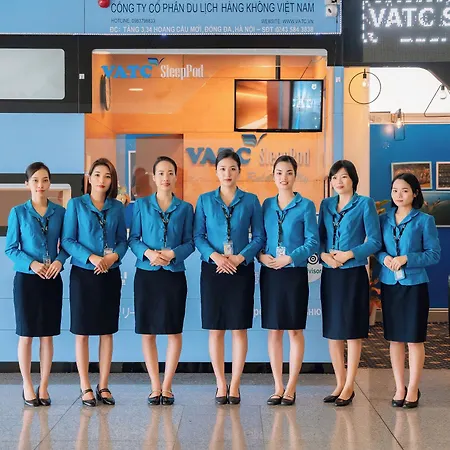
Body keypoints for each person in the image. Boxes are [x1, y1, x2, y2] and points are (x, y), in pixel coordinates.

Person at [194, 149, 265, 405]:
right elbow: (198, 236)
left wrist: (239, 258)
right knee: (215, 329)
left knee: (238, 328)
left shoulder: (251, 200)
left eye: (232, 168)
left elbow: (259, 237)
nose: (227, 173)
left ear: (239, 171)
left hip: (240, 270)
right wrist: (215, 257)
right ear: (216, 172)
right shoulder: (204, 200)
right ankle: (220, 383)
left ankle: (234, 384)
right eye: (222, 169)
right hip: (213, 269)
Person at [129, 156, 194, 406]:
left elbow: (190, 242)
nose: (165, 178)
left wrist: (172, 254)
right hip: (147, 274)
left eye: (170, 173)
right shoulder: (141, 205)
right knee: (148, 332)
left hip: (173, 274)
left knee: (174, 331)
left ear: (176, 177)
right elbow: (134, 239)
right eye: (161, 173)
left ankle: (167, 386)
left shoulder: (185, 208)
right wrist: (149, 253)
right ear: (154, 178)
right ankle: (154, 386)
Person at [62, 158, 127, 407]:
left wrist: (112, 257)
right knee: (82, 332)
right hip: (84, 274)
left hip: (109, 273)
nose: (102, 180)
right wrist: (91, 257)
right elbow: (68, 240)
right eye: (97, 175)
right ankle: (85, 385)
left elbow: (122, 241)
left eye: (107, 176)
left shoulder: (117, 207)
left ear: (112, 181)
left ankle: (104, 385)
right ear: (89, 178)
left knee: (106, 331)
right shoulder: (76, 204)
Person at [319, 160, 381, 407]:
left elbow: (374, 241)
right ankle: (339, 382)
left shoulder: (364, 203)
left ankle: (350, 385)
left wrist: (349, 254)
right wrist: (324, 256)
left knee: (353, 330)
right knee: (334, 330)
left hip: (353, 272)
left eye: (343, 177)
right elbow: (319, 238)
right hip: (330, 273)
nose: (339, 181)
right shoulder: (326, 205)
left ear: (353, 179)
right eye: (334, 177)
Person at [5, 162, 68, 407]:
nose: (40, 185)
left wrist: (59, 261)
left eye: (45, 180)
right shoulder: (18, 212)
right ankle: (27, 385)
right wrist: (31, 264)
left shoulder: (60, 212)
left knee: (47, 336)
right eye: (35, 180)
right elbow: (11, 248)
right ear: (27, 184)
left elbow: (67, 244)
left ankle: (44, 386)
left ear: (50, 183)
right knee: (26, 335)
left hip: (51, 278)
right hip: (27, 280)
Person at [259, 156, 319, 406]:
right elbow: (261, 238)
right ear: (273, 175)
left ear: (295, 175)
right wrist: (261, 256)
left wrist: (291, 258)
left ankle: (291, 387)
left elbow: (313, 242)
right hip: (271, 273)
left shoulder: (306, 205)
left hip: (294, 273)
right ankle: (277, 386)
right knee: (274, 330)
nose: (283, 177)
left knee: (294, 330)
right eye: (279, 173)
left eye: (289, 173)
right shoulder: (266, 205)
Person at [376, 173, 440, 409]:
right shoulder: (383, 219)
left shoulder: (424, 220)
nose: (399, 195)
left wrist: (406, 258)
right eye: (395, 190)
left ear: (415, 193)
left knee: (413, 339)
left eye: (404, 190)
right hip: (390, 284)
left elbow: (434, 254)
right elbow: (377, 248)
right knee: (394, 339)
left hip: (414, 285)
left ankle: (413, 388)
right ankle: (399, 387)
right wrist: (384, 259)